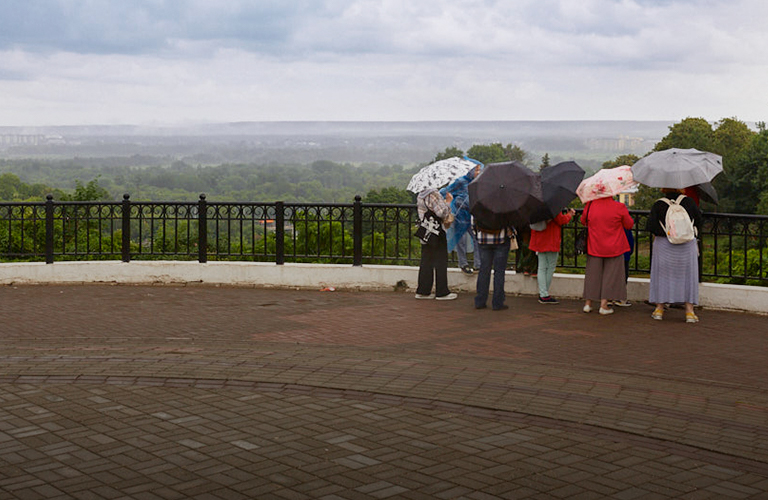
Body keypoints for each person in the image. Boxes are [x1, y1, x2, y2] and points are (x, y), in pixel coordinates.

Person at [646, 188, 703, 322]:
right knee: (688, 277)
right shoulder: (689, 202)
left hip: (664, 245)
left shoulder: (658, 204)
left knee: (662, 276)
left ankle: (659, 309)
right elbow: (699, 221)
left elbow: (651, 225)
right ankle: (689, 312)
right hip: (686, 245)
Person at [581, 197, 634, 315]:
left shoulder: (590, 205)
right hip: (614, 247)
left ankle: (588, 304)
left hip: (594, 245)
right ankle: (604, 305)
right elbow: (629, 224)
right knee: (610, 276)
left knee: (592, 275)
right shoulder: (619, 207)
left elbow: (583, 220)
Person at [415, 188, 457, 300]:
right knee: (441, 261)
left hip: (426, 231)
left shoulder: (421, 194)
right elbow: (441, 212)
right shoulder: (433, 194)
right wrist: (448, 202)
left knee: (426, 261)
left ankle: (423, 291)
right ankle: (442, 292)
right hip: (437, 232)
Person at [440, 164, 482, 274]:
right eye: (476, 170)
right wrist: (454, 201)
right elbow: (444, 192)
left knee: (477, 239)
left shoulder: (476, 183)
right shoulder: (460, 181)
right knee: (461, 241)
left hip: (471, 216)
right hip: (460, 216)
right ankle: (463, 264)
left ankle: (478, 264)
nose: (478, 172)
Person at [529, 209, 575, 304]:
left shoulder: (535, 206)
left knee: (541, 267)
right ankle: (544, 294)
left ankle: (543, 293)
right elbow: (561, 220)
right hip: (551, 238)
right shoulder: (552, 207)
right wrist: (570, 214)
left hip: (539, 238)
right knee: (550, 267)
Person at [473, 219, 515, 311]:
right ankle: (498, 302)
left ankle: (480, 301)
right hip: (501, 239)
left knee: (484, 270)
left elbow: (474, 221)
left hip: (483, 239)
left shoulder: (478, 204)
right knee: (499, 272)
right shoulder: (503, 205)